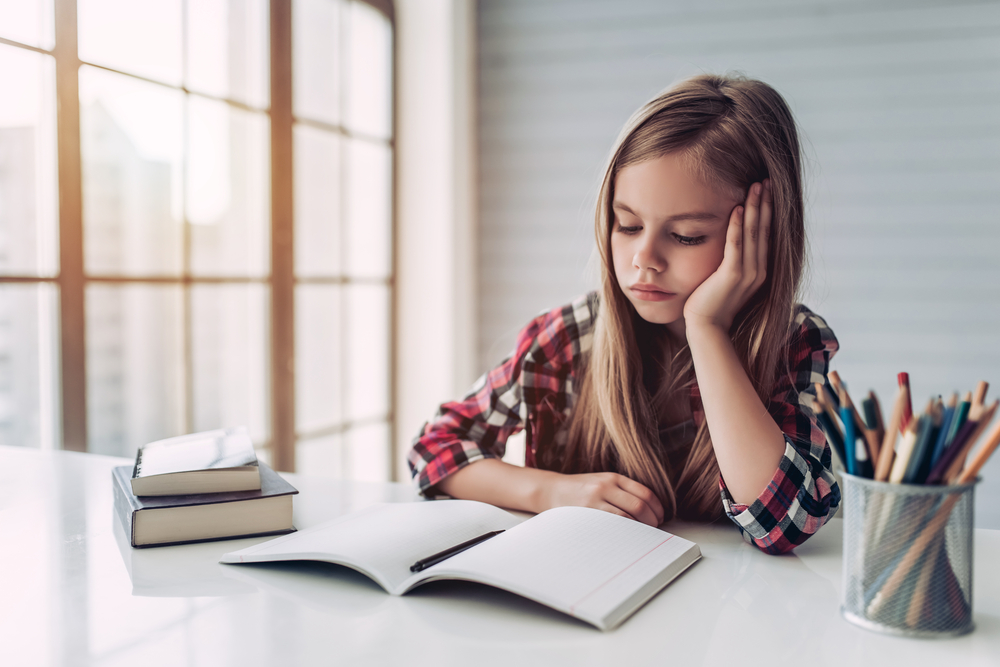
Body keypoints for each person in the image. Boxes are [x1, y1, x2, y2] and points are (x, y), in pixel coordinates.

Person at [407, 73, 840, 555]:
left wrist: (707, 329)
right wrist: (550, 492)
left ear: (764, 232)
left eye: (687, 235)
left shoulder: (794, 343)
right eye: (627, 225)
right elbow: (434, 451)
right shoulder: (568, 340)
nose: (644, 259)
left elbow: (784, 523)